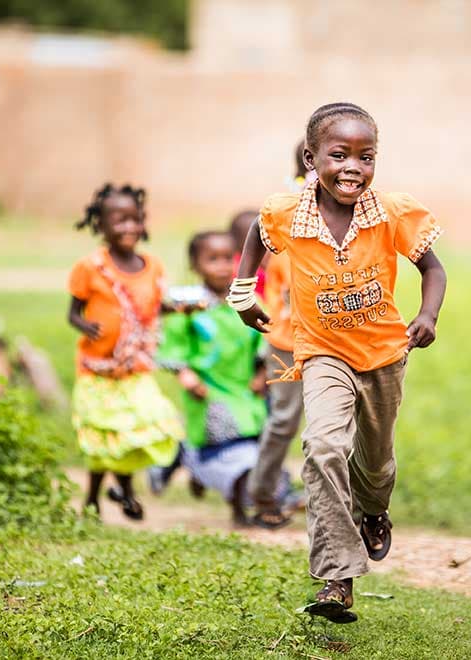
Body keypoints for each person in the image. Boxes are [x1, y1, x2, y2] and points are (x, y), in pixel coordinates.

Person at [230, 102, 447, 623]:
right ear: (311, 158)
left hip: (385, 356)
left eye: (365, 156)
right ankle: (336, 576)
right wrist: (243, 293)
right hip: (323, 353)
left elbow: (433, 268)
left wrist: (429, 314)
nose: (353, 166)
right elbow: (258, 235)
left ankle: (374, 511)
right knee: (324, 445)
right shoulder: (287, 212)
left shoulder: (391, 213)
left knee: (374, 463)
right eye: (339, 154)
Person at [67, 183, 182, 519]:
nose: (128, 227)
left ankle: (125, 490)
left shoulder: (154, 266)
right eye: (118, 221)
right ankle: (94, 496)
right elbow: (72, 312)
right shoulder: (90, 267)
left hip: (135, 370)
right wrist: (84, 325)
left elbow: (155, 307)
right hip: (97, 369)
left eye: (134, 219)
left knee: (134, 431)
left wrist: (180, 309)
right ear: (100, 226)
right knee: (103, 438)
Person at [158, 231, 287, 527]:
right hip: (209, 389)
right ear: (195, 265)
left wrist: (261, 371)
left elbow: (263, 337)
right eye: (211, 259)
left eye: (226, 259)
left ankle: (218, 480)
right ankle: (238, 506)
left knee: (254, 438)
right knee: (227, 443)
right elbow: (172, 345)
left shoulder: (245, 299)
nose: (220, 266)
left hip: (243, 387)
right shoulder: (186, 303)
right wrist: (186, 375)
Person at [247, 140, 316, 529]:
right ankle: (262, 492)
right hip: (287, 336)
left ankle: (329, 501)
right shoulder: (284, 206)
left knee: (336, 425)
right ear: (311, 161)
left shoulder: (350, 204)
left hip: (335, 336)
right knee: (285, 419)